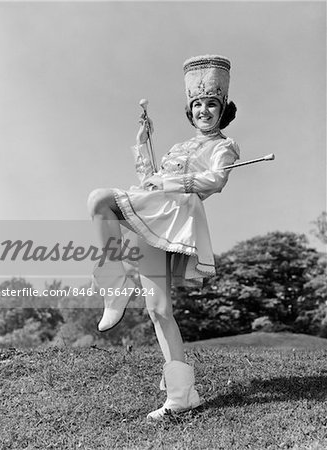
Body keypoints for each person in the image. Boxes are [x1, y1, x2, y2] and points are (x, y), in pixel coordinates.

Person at [87, 54, 240, 420]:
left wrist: (169, 181)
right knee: (157, 310)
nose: (204, 110)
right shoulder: (177, 148)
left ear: (223, 110)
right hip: (152, 215)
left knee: (100, 200)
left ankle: (116, 282)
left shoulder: (224, 146)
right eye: (198, 104)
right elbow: (147, 183)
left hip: (175, 220)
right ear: (191, 110)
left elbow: (215, 182)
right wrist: (142, 145)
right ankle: (182, 393)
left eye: (211, 104)